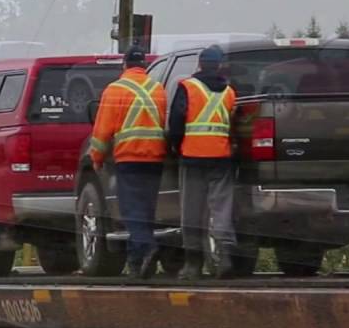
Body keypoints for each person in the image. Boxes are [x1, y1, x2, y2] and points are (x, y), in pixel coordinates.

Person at [87, 45, 168, 279]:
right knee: (146, 210)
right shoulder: (158, 89)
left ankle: (147, 246)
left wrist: (96, 158)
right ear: (144, 65)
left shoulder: (115, 90)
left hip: (129, 157)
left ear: (125, 65)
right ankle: (137, 262)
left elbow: (102, 131)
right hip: (155, 157)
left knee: (132, 210)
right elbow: (162, 121)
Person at [167, 45, 238, 280]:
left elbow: (176, 121)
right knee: (221, 208)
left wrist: (175, 146)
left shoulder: (187, 87)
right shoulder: (229, 92)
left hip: (192, 156)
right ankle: (224, 256)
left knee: (192, 209)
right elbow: (232, 124)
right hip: (221, 157)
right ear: (219, 65)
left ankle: (193, 265)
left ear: (199, 63)